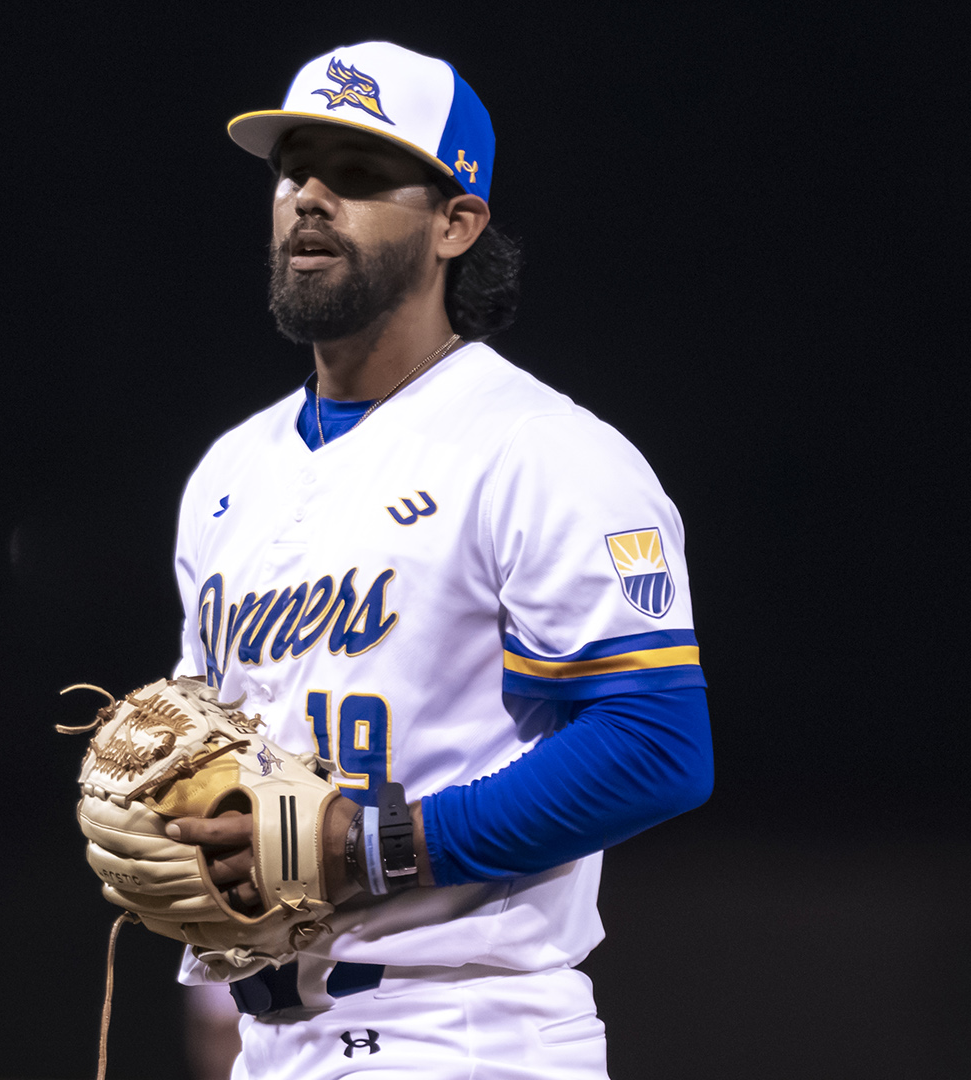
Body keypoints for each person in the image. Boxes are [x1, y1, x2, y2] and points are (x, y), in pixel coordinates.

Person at [164, 41, 714, 1079]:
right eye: (293, 170)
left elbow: (656, 745)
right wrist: (178, 813)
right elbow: (218, 751)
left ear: (456, 223)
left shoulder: (541, 450)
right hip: (272, 1043)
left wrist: (371, 844)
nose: (310, 196)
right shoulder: (230, 473)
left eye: (359, 172)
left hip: (464, 1027)